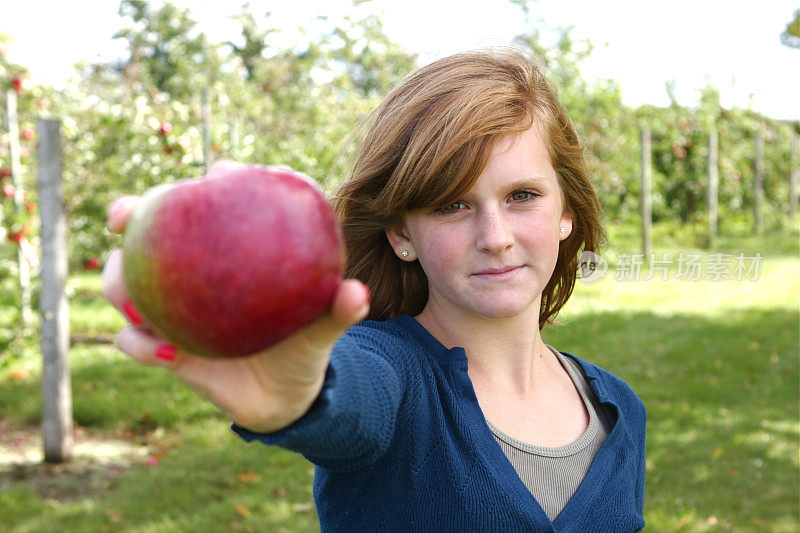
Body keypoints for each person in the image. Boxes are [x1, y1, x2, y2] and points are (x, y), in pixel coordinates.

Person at [103, 48, 646, 532]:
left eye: (522, 195)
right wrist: (297, 395)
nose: (495, 238)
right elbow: (349, 403)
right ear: (402, 234)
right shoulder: (390, 374)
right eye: (450, 204)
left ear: (566, 213)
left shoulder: (619, 409)